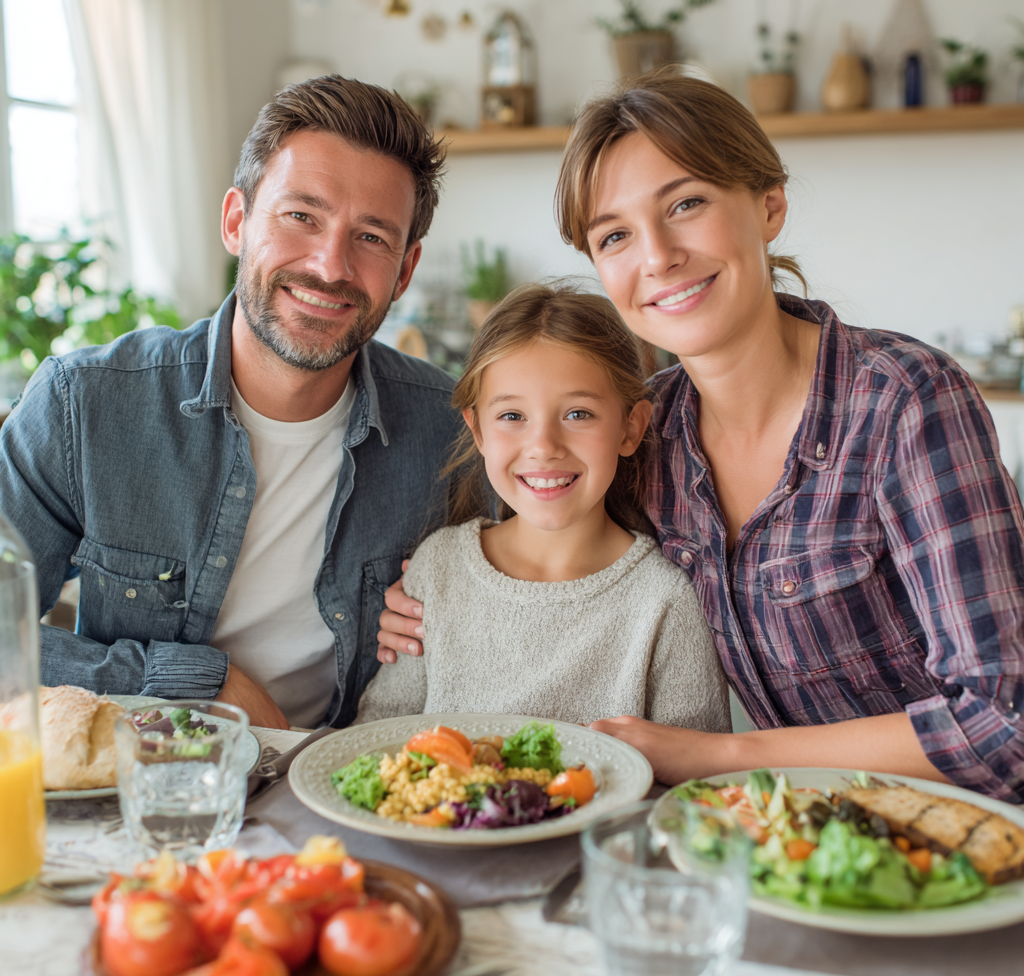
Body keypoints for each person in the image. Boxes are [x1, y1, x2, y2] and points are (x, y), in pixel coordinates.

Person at [378, 71, 1024, 803]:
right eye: (615, 235)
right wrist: (432, 596)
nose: (656, 256)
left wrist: (725, 755)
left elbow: (1005, 725)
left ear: (769, 203)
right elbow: (549, 527)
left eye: (686, 204)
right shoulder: (650, 432)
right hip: (806, 839)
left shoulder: (904, 400)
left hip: (979, 841)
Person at [0, 76, 461, 730]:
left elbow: (548, 591)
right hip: (150, 790)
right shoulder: (84, 405)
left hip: (356, 794)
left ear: (405, 271)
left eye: (371, 238)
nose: (331, 267)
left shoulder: (455, 428)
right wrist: (197, 680)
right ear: (237, 222)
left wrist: (459, 605)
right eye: (302, 217)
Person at [354, 283, 729, 732]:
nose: (544, 447)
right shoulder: (438, 568)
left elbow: (694, 782)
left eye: (578, 414)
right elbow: (377, 734)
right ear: (478, 431)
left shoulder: (665, 600)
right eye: (512, 417)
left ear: (630, 428)